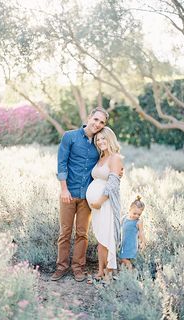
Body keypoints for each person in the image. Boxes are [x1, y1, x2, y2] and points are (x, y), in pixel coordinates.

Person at [51, 107, 109, 282]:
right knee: (65, 232)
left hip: (87, 198)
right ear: (89, 117)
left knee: (82, 233)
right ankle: (61, 267)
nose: (97, 124)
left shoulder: (99, 143)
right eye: (96, 119)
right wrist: (64, 189)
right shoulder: (70, 137)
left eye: (102, 122)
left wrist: (117, 171)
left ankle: (78, 268)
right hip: (68, 193)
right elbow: (61, 164)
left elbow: (109, 158)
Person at [86, 126, 123, 281]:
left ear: (110, 139)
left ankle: (108, 272)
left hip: (105, 204)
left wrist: (100, 201)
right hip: (97, 206)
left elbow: (113, 182)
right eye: (98, 139)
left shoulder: (115, 158)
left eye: (103, 138)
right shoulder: (100, 158)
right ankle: (100, 271)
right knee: (101, 238)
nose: (101, 142)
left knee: (107, 237)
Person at [119, 196, 146, 270]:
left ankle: (131, 272)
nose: (136, 216)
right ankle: (127, 271)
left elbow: (141, 232)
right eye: (135, 213)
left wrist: (143, 242)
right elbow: (118, 226)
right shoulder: (124, 218)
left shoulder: (138, 222)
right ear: (130, 209)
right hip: (124, 243)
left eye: (139, 214)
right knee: (122, 258)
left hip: (131, 245)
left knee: (124, 258)